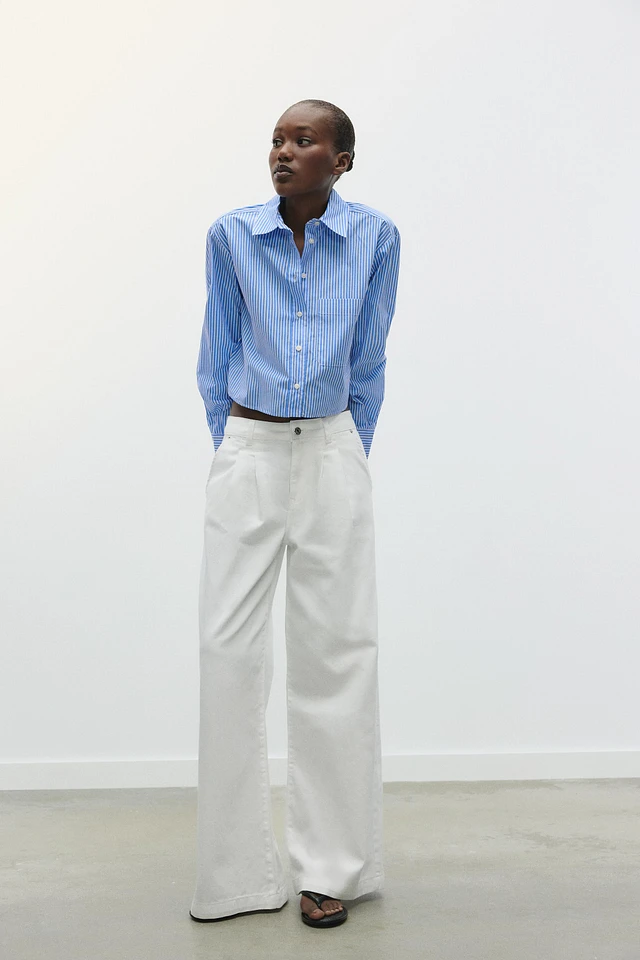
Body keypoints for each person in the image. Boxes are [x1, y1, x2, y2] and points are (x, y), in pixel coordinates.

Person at [189, 98, 401, 930]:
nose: (282, 151)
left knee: (337, 653)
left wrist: (343, 452)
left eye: (303, 140)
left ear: (340, 160)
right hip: (250, 447)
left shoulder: (376, 237)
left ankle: (331, 869)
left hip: (333, 450)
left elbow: (370, 360)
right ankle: (235, 876)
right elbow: (216, 354)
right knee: (226, 652)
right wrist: (239, 446)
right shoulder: (231, 235)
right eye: (276, 139)